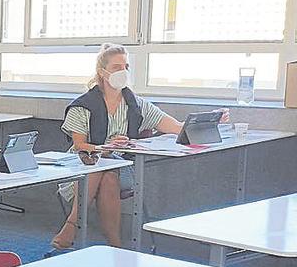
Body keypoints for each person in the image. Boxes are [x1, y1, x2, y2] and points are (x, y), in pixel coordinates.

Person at [50, 44, 227, 251]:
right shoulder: (83, 106)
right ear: (102, 72)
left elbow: (177, 128)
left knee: (108, 172)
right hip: (81, 167)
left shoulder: (137, 105)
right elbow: (79, 145)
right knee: (104, 170)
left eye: (126, 66)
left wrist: (212, 119)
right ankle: (115, 246)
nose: (123, 71)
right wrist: (104, 147)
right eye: (117, 67)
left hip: (120, 168)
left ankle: (72, 226)